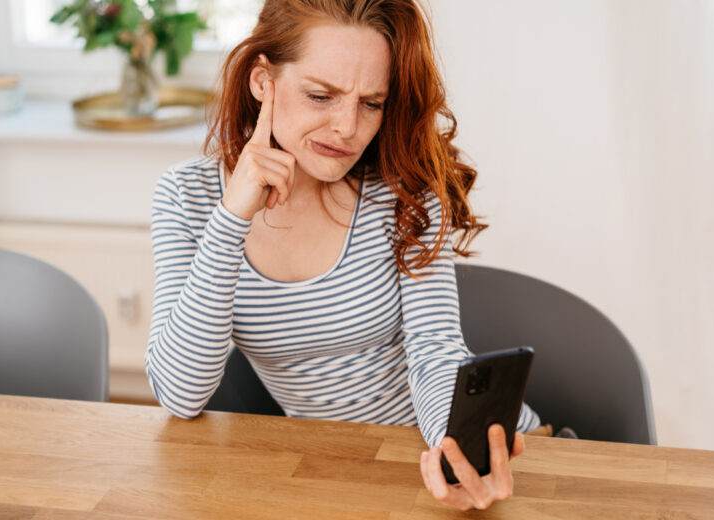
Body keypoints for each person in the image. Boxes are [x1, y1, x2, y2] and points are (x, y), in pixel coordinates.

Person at [145, 0, 541, 511]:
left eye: (371, 103)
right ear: (262, 81)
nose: (347, 128)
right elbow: (180, 393)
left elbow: (435, 350)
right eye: (320, 95)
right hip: (343, 478)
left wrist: (458, 452)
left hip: (468, 461)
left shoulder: (404, 191)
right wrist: (231, 219)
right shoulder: (187, 197)